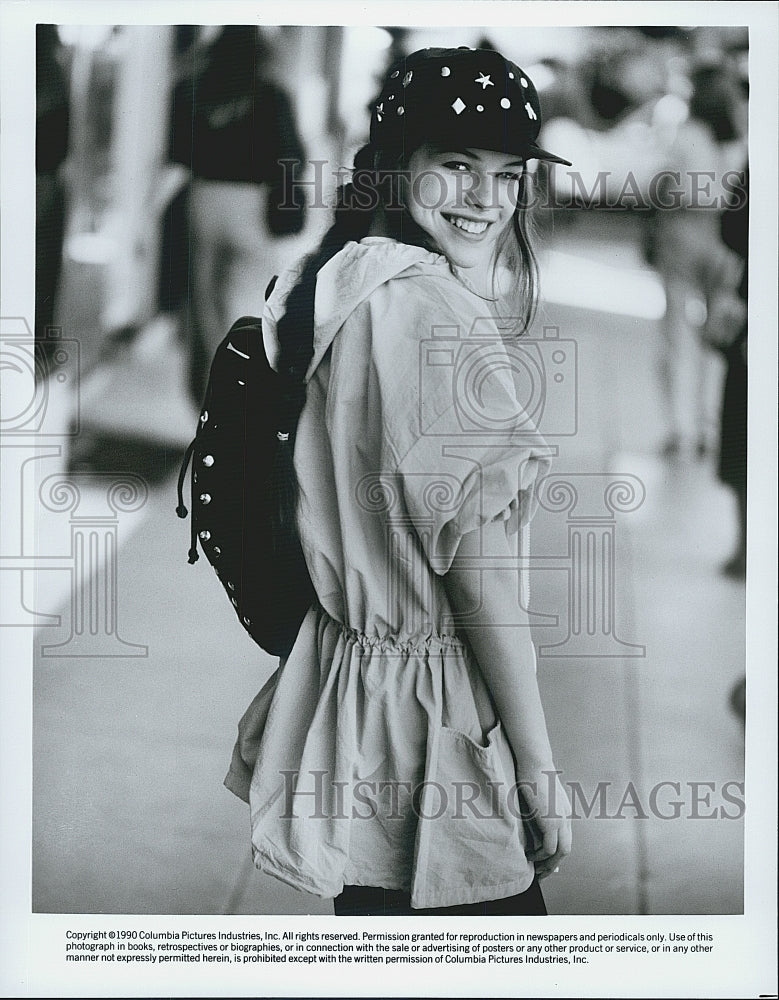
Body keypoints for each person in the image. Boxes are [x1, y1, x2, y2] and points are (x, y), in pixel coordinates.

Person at [224, 46, 573, 916]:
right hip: (434, 722)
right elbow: (479, 575)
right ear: (396, 163)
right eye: (456, 165)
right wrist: (534, 762)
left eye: (508, 172)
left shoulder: (336, 280)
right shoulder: (435, 317)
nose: (486, 198)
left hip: (354, 698)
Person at [176, 26, 307, 403]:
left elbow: (178, 149)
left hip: (203, 198)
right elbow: (292, 154)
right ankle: (241, 396)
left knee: (205, 305)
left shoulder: (195, 89)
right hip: (252, 204)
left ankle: (207, 395)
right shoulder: (271, 94)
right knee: (247, 301)